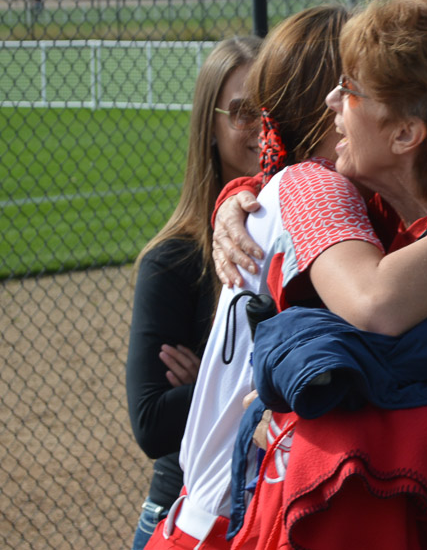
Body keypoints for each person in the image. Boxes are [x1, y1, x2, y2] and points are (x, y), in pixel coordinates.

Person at [147, 2, 427, 550]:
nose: (336, 100)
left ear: (405, 132)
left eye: (350, 87)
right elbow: (374, 297)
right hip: (237, 511)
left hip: (288, 512)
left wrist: (296, 423)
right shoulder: (343, 195)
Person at [126, 35, 262, 550]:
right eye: (243, 112)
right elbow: (151, 422)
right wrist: (250, 384)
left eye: (271, 107)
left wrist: (210, 377)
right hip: (182, 515)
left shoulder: (298, 229)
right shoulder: (173, 260)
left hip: (264, 510)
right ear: (210, 124)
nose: (261, 126)